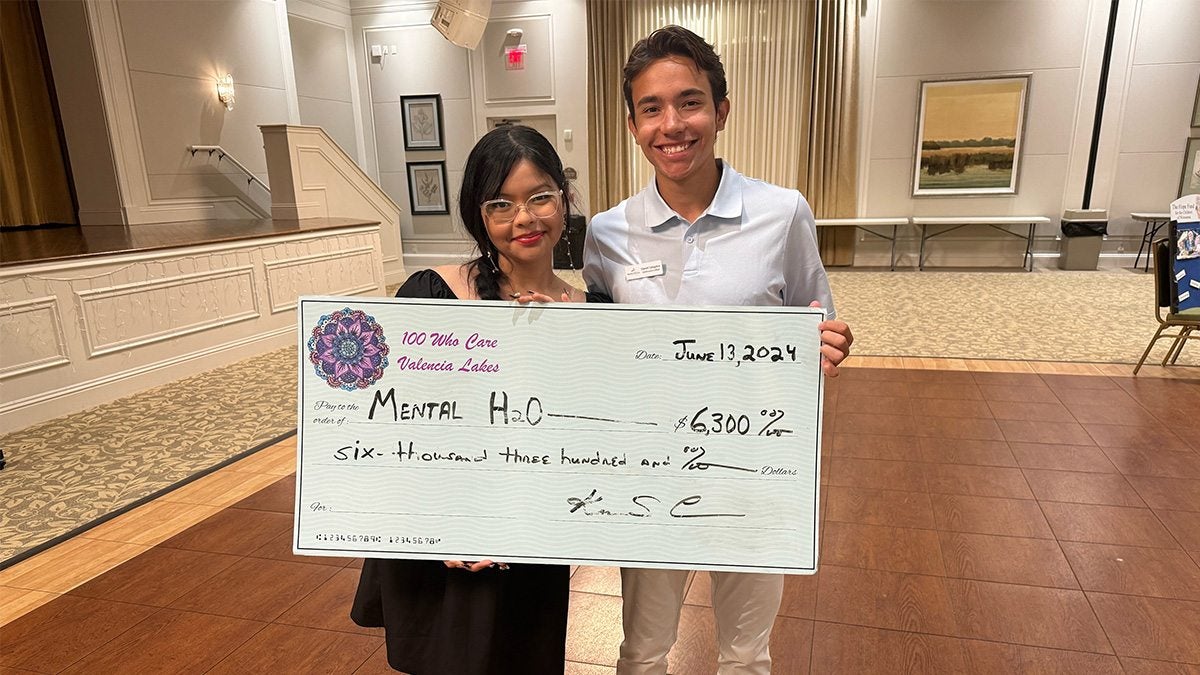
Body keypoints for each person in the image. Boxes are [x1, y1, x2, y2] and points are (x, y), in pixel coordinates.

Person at [581, 26, 854, 675]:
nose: (671, 124)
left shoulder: (782, 212)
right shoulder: (608, 233)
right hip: (650, 477)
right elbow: (594, 354)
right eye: (651, 108)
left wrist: (827, 344)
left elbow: (817, 322)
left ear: (721, 111)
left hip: (754, 470)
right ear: (631, 124)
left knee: (744, 653)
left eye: (690, 102)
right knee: (642, 650)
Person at [351, 124, 602, 674]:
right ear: (478, 215)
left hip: (532, 539)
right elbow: (384, 425)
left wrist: (571, 339)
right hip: (444, 540)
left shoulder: (593, 309)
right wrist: (442, 525)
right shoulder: (430, 293)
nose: (524, 219)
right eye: (501, 204)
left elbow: (598, 436)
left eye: (540, 197)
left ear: (565, 199)